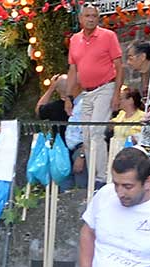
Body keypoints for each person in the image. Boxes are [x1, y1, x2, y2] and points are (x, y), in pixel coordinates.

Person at [65, 2, 124, 186]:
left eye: (94, 16)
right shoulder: (75, 39)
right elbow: (73, 70)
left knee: (96, 131)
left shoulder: (108, 36)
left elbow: (119, 66)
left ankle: (102, 178)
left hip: (105, 87)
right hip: (86, 92)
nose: (91, 19)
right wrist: (68, 97)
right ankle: (93, 178)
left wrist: (116, 94)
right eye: (87, 16)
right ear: (81, 19)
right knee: (86, 135)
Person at [107, 88, 145, 164]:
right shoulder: (121, 114)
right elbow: (111, 125)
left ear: (130, 100)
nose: (119, 101)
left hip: (130, 155)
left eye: (121, 99)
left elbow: (136, 137)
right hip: (115, 152)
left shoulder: (142, 116)